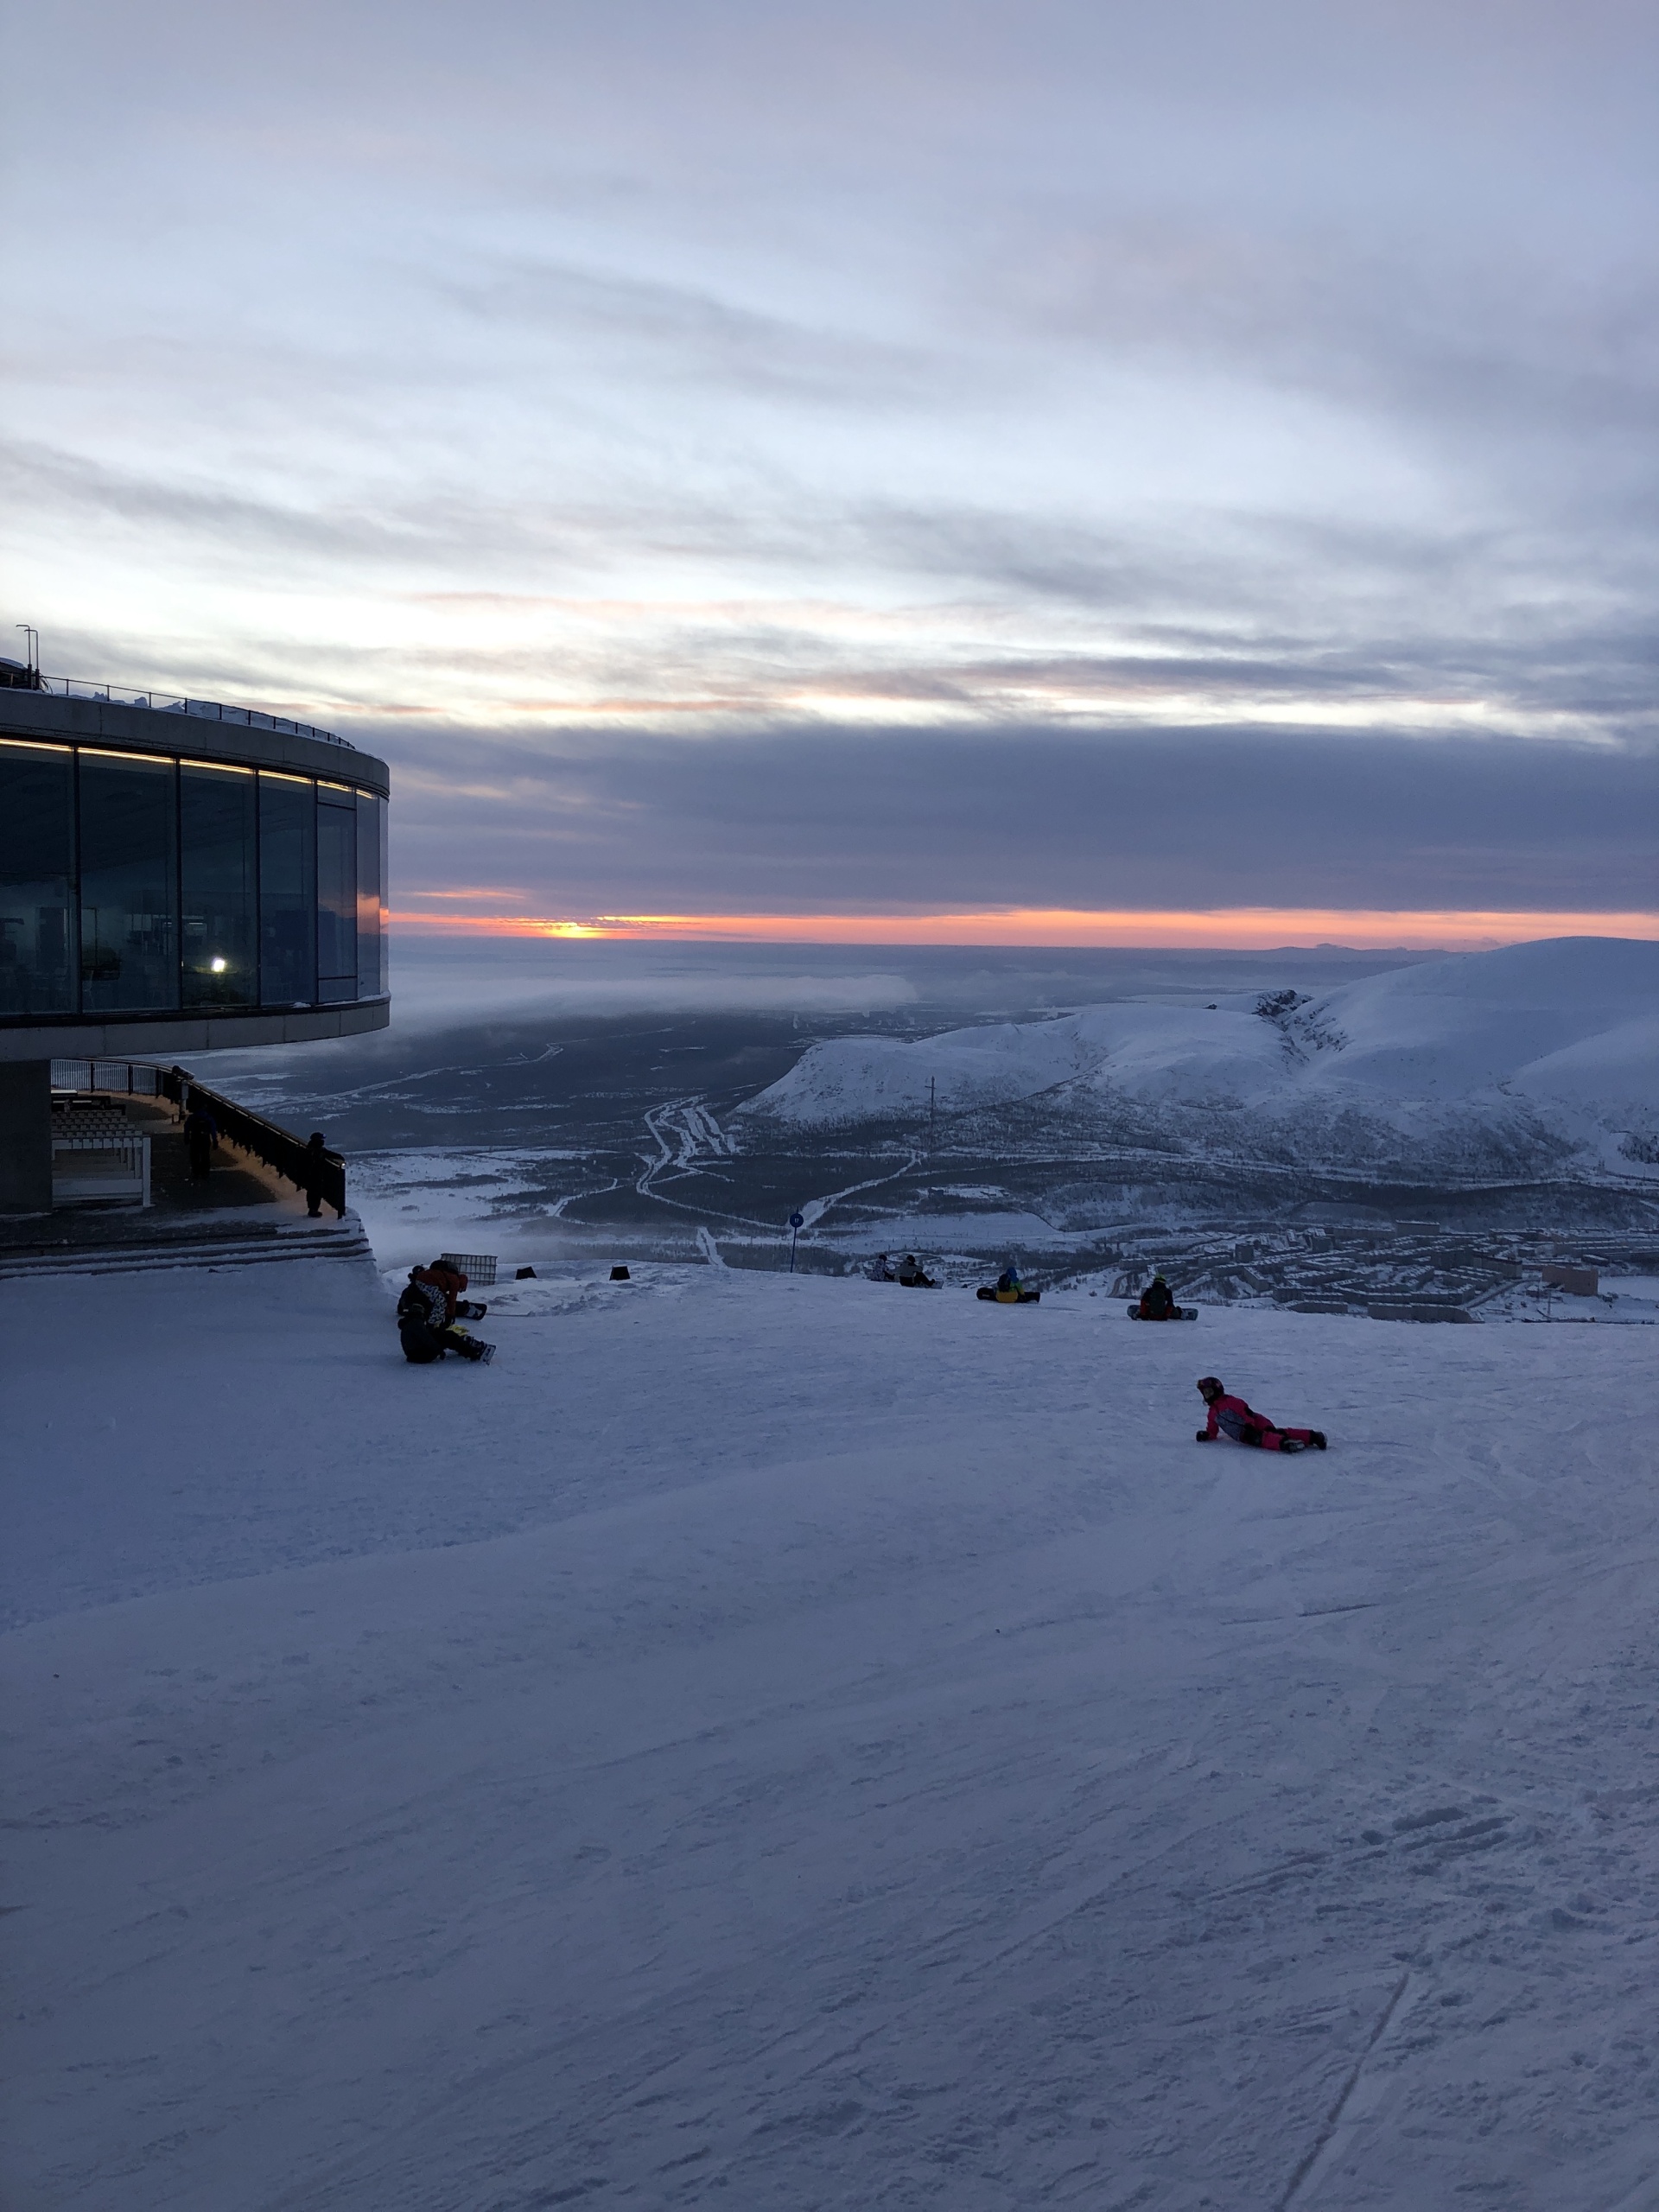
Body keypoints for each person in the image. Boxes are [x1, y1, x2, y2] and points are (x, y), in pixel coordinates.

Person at [1195, 1376, 1325, 1453]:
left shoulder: (1230, 1401)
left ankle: (1291, 1442)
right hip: (1243, 1433)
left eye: (1208, 1392)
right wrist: (1207, 1435)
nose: (1207, 1395)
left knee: (1263, 1438)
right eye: (1204, 1393)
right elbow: (1212, 1431)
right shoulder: (1212, 1413)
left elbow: (1246, 1412)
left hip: (1255, 1423)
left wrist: (1250, 1425)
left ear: (1216, 1390)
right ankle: (1307, 1438)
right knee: (1274, 1434)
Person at [397, 1265, 496, 1364]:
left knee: (446, 1333)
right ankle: (472, 1351)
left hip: (418, 1352)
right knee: (445, 1329)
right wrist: (449, 1317)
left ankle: (463, 1346)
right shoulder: (415, 1323)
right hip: (422, 1355)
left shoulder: (411, 1319)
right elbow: (451, 1300)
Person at [182, 1098, 219, 1182]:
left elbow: (187, 1128)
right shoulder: (208, 1118)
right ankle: (205, 1172)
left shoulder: (192, 1117)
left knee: (194, 1155)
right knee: (205, 1155)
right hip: (205, 1138)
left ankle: (196, 1172)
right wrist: (215, 1140)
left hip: (195, 1138)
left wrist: (186, 1138)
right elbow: (213, 1130)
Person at [300, 1131, 329, 1218]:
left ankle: (312, 1209)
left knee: (313, 1193)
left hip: (311, 1176)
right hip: (315, 1176)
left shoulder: (312, 1149)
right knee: (316, 1194)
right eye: (321, 1139)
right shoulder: (315, 1151)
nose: (323, 1141)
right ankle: (313, 1210)